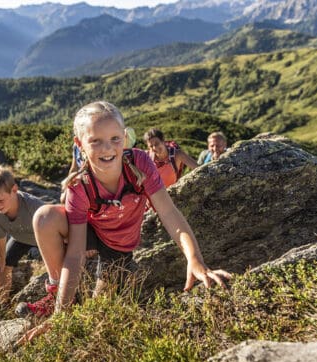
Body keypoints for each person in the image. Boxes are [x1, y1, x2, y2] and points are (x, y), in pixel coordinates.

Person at [16, 101, 231, 343]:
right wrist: (60, 316)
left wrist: (195, 260)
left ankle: (78, 294)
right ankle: (57, 293)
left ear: (125, 137)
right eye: (95, 141)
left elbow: (169, 213)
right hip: (90, 231)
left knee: (96, 315)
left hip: (118, 247)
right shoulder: (80, 185)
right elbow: (75, 254)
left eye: (115, 139)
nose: (107, 148)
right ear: (80, 145)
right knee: (45, 217)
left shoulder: (139, 164)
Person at [0, 166, 44, 309]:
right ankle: (1, 303)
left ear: (14, 190)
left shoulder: (35, 207)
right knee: (3, 266)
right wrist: (0, 258)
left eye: (0, 201)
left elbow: (60, 228)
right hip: (20, 237)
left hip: (45, 237)